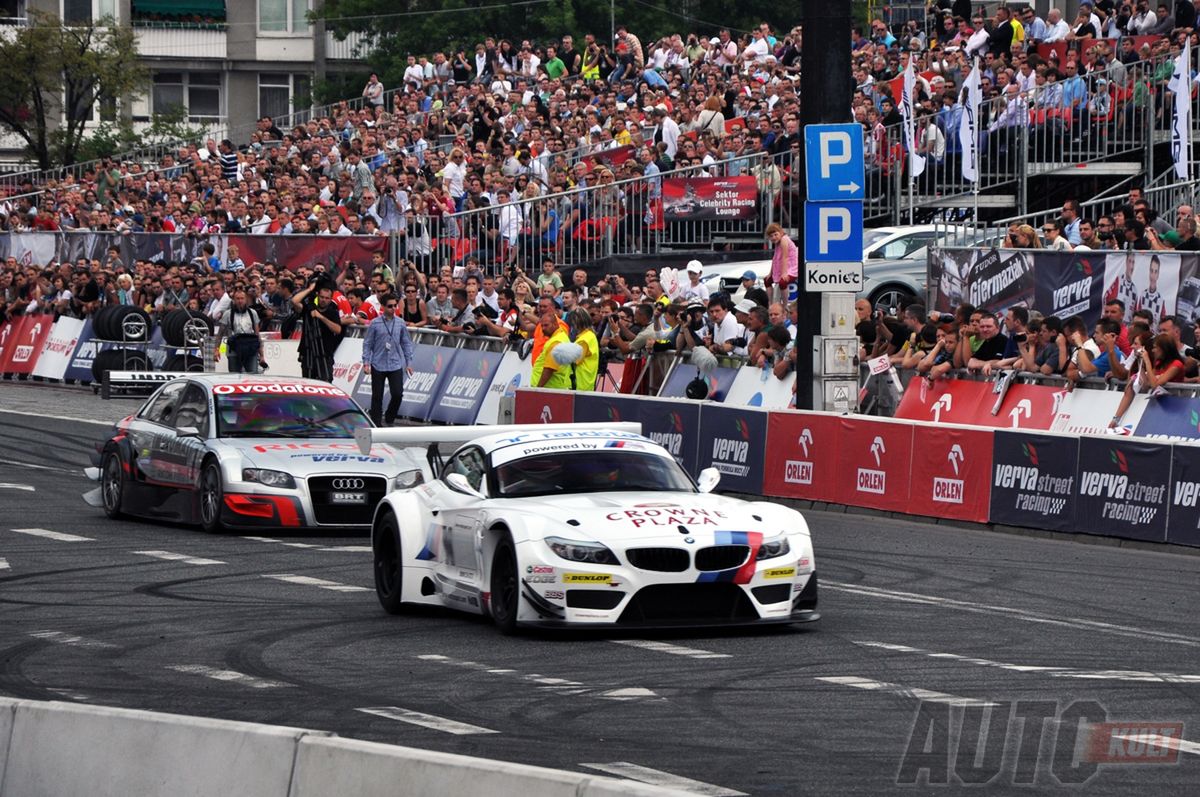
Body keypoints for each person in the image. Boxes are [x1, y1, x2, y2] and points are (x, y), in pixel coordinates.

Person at [1110, 333, 1186, 428]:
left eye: (1155, 348)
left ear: (1163, 349)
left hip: (1175, 404)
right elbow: (1146, 384)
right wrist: (1140, 361)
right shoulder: (1159, 363)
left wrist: (1147, 361)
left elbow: (1155, 385)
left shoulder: (1176, 364)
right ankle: (1116, 418)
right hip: (1160, 404)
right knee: (1131, 384)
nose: (1153, 351)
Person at [362, 294, 416, 427]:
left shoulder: (400, 323)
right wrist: (366, 362)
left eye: (394, 306)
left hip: (395, 363)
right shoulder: (375, 323)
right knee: (377, 396)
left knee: (398, 394)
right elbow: (367, 344)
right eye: (390, 306)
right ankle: (376, 423)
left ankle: (390, 417)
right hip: (378, 363)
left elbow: (406, 343)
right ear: (383, 307)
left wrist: (409, 362)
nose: (393, 308)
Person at [293, 279, 343, 382]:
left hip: (325, 355)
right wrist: (310, 289)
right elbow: (294, 301)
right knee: (308, 383)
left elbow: (338, 329)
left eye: (327, 298)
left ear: (330, 299)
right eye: (322, 297)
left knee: (326, 382)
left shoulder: (333, 312)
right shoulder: (309, 308)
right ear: (317, 296)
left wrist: (321, 317)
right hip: (308, 353)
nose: (324, 300)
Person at [218, 289, 263, 374]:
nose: (240, 301)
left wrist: (262, 355)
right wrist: (216, 350)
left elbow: (257, 335)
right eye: (237, 299)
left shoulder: (252, 313)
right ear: (234, 300)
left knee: (253, 375)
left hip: (250, 349)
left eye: (242, 298)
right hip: (234, 350)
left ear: (246, 300)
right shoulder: (227, 314)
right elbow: (220, 334)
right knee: (234, 376)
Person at [530, 312, 573, 388]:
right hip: (555, 387)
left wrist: (538, 389)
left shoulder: (556, 342)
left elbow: (549, 368)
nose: (543, 328)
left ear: (556, 324)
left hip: (549, 389)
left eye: (546, 325)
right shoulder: (561, 337)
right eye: (542, 326)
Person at [568, 307, 600, 391]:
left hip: (581, 383)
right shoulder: (590, 335)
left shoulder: (584, 340)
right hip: (586, 382)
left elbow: (575, 360)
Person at [764, 222, 797, 302]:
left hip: (791, 267)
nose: (774, 237)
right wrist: (770, 273)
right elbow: (775, 258)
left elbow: (785, 257)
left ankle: (785, 304)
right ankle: (771, 303)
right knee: (767, 280)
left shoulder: (784, 240)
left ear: (781, 232)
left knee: (783, 282)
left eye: (775, 234)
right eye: (771, 236)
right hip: (782, 267)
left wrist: (784, 273)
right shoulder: (777, 243)